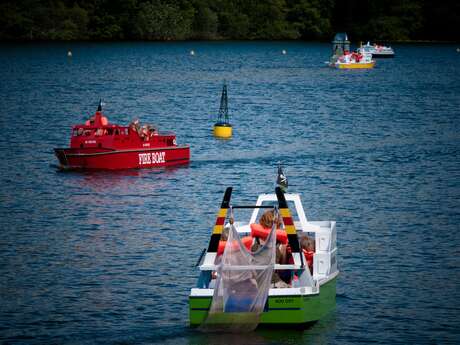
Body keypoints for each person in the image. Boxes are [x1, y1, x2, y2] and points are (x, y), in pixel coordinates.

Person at [252, 210, 291, 288]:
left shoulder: (254, 240)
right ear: (278, 225)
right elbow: (282, 269)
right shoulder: (281, 244)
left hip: (255, 282)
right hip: (272, 282)